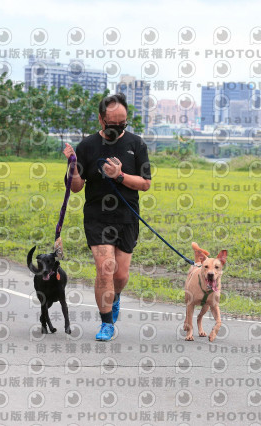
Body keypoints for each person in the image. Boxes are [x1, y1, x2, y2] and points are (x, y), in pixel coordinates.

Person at [63, 93, 151, 341]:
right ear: (101, 120)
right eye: (113, 124)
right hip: (97, 217)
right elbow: (76, 187)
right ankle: (106, 323)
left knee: (120, 276)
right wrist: (73, 167)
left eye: (123, 124)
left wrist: (119, 176)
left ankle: (115, 296)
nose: (118, 128)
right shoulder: (87, 146)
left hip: (127, 216)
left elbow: (145, 184)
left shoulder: (137, 144)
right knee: (105, 269)